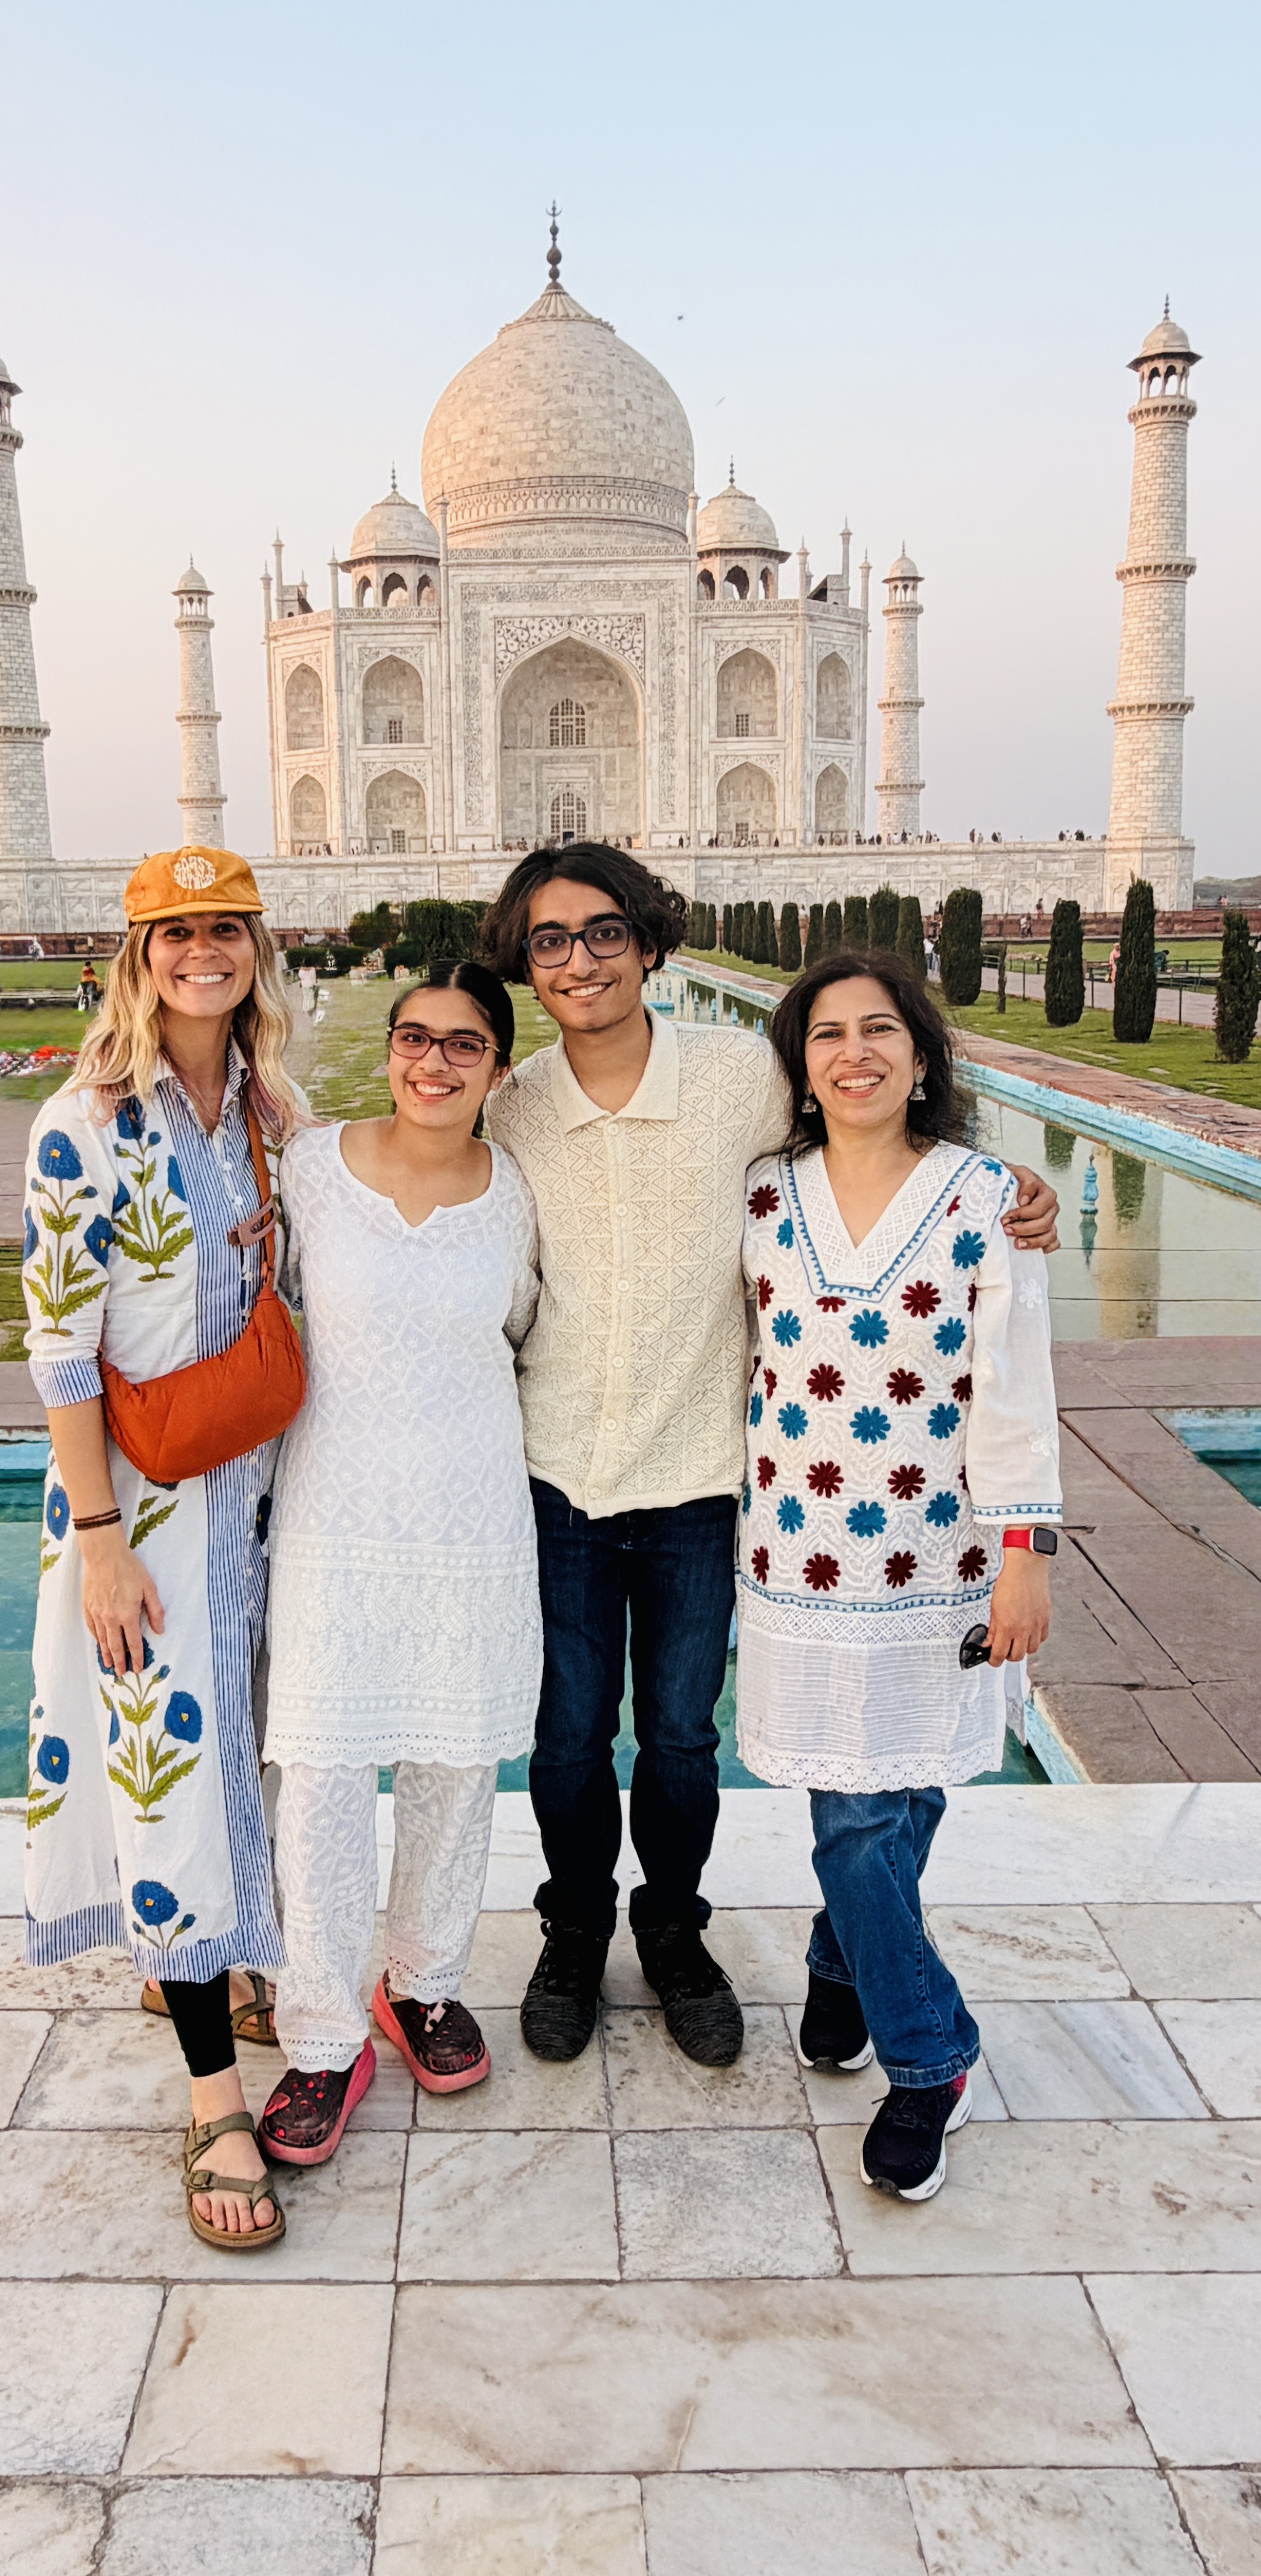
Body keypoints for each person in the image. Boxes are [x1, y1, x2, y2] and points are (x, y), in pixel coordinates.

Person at [477, 844, 1059, 2072]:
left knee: (681, 1740)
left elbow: (873, 1136)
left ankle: (673, 1932)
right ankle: (574, 1930)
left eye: (600, 933)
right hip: (558, 1474)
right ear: (522, 963)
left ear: (645, 942)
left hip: (701, 1479)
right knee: (572, 1735)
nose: (577, 959)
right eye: (548, 940)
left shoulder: (737, 1072)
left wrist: (1011, 1187)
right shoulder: (513, 1099)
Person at [740, 949, 1060, 2200]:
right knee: (859, 1804)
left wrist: (1024, 1550)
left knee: (878, 1803)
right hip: (794, 1558)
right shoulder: (763, 1197)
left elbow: (1015, 1389)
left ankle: (924, 2054)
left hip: (939, 1555)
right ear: (801, 1065)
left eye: (880, 1031)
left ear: (920, 1057)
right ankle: (851, 1967)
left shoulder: (983, 1199)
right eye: (827, 1034)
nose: (853, 1053)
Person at [19, 846, 299, 2252]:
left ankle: (219, 1969)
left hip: (258, 1503)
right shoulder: (83, 1123)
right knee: (171, 1785)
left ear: (255, 950)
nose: (204, 954)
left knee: (240, 1760)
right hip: (141, 1511)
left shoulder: (265, 1109)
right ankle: (213, 2102)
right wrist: (95, 1540)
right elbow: (61, 1350)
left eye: (224, 931)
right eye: (176, 934)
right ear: (139, 958)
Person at [257, 960, 541, 2161]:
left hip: (471, 1516)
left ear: (497, 1067)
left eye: (462, 1045)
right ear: (388, 1050)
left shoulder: (518, 1191)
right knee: (320, 1781)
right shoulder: (310, 1172)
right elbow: (255, 1304)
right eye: (413, 1040)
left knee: (451, 1766)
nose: (432, 1064)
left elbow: (529, 1332)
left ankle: (418, 1984)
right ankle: (320, 2037)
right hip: (334, 1514)